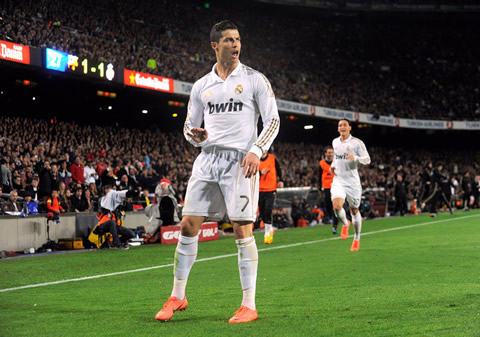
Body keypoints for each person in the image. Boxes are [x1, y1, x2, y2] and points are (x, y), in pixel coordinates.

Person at [155, 20, 280, 324]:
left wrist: (256, 150)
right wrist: (193, 135)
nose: (235, 45)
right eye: (228, 40)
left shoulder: (255, 79)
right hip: (207, 159)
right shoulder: (201, 86)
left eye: (238, 39)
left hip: (240, 161)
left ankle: (249, 304)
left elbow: (273, 121)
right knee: (187, 225)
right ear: (214, 45)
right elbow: (188, 125)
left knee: (241, 228)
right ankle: (178, 296)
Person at [330, 119, 370, 252]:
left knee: (354, 211)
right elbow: (336, 158)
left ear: (350, 128)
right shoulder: (335, 142)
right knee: (337, 207)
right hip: (338, 180)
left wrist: (356, 158)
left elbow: (367, 159)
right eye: (340, 125)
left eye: (344, 125)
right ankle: (346, 224)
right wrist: (332, 166)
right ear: (338, 129)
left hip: (352, 183)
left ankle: (357, 238)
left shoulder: (357, 143)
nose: (342, 127)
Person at [89, 185, 135, 250]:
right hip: (103, 224)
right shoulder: (102, 199)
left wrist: (124, 199)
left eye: (111, 190)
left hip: (114, 225)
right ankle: (118, 244)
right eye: (108, 190)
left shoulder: (115, 201)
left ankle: (111, 242)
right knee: (112, 222)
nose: (110, 192)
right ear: (105, 191)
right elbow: (101, 209)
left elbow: (123, 207)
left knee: (131, 234)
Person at [258, 150, 281, 244]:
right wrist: (260, 173)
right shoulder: (255, 158)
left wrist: (281, 180)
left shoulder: (272, 158)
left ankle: (267, 232)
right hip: (259, 189)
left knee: (268, 208)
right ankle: (269, 228)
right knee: (262, 210)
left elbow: (279, 169)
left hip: (271, 188)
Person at [319, 146, 337, 233]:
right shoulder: (322, 163)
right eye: (329, 152)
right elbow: (319, 176)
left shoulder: (336, 162)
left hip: (336, 186)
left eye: (331, 152)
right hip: (326, 187)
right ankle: (330, 216)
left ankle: (335, 224)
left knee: (335, 205)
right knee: (328, 204)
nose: (330, 154)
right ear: (325, 154)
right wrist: (319, 187)